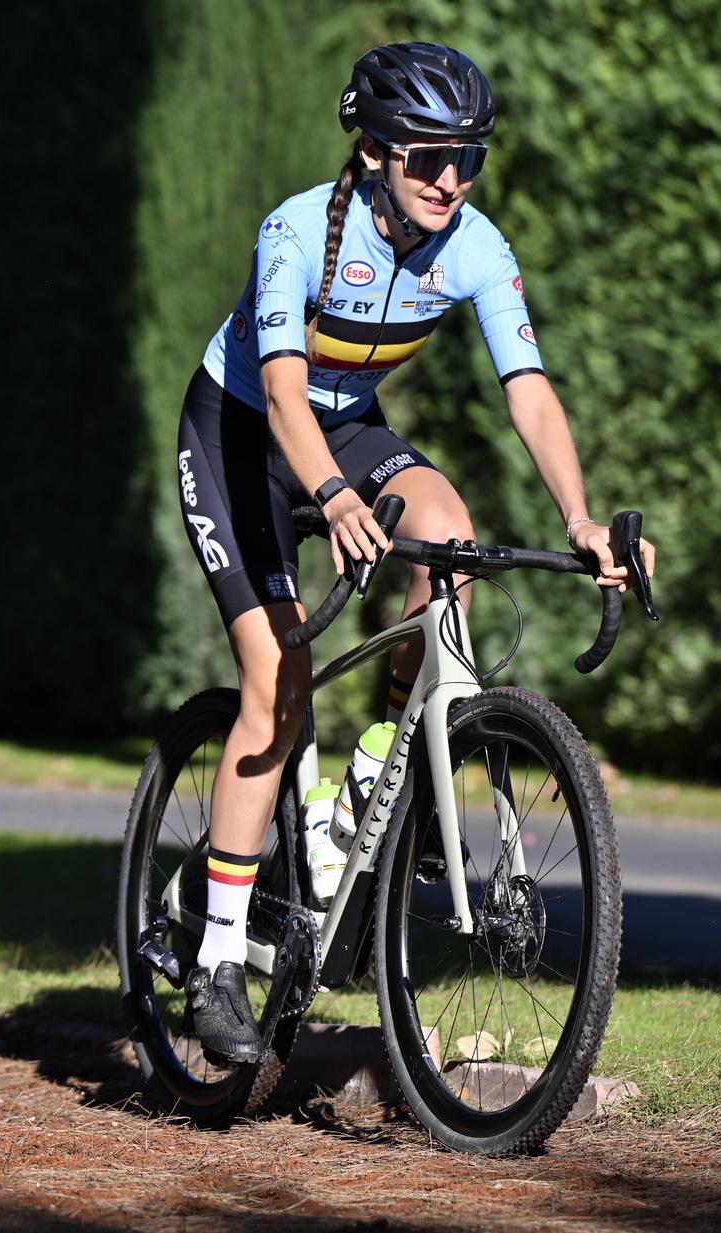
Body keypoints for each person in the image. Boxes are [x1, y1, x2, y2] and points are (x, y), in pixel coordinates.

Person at [175, 42, 656, 1062]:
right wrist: (333, 494)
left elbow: (527, 389)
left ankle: (379, 767)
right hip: (240, 433)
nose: (450, 181)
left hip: (348, 429)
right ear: (374, 152)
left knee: (451, 537)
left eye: (468, 159)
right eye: (429, 159)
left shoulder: (474, 245)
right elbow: (285, 396)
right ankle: (214, 960)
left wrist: (578, 516)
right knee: (278, 680)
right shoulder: (296, 230)